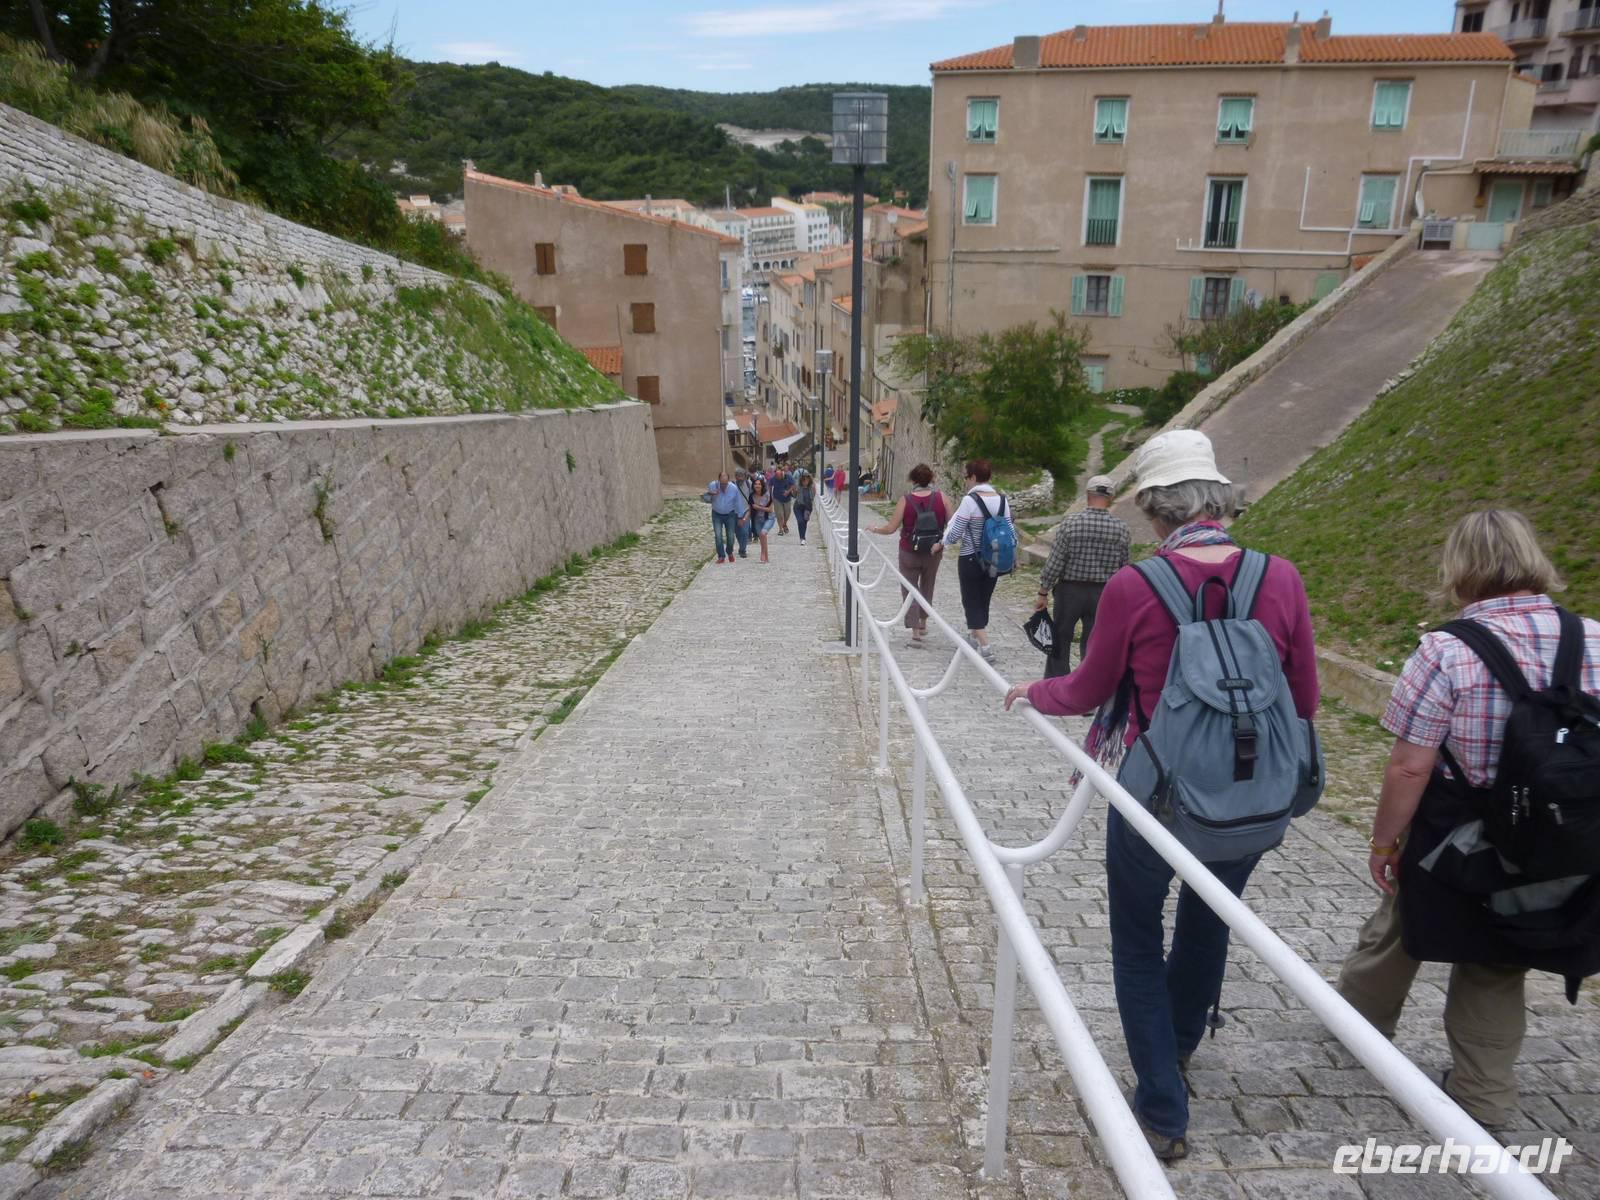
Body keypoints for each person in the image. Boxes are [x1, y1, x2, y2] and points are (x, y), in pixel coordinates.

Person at [1002, 429, 1318, 1161]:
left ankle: (1162, 1109)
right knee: (1210, 921)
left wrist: (1031, 692)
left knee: (1139, 937)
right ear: (1218, 499)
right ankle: (1177, 1045)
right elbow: (1304, 698)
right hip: (1248, 795)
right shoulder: (1280, 578)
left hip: (1157, 797)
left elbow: (1088, 688)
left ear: (1153, 508)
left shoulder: (1137, 586)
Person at [1335, 510, 1600, 1129]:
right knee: (1497, 958)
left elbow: (1410, 766)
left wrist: (1384, 842)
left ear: (1460, 568)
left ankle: (1359, 1024)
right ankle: (1483, 1097)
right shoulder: (1592, 637)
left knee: (1402, 916)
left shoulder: (1446, 650)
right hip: (1559, 835)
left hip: (1457, 831)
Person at [1036, 474, 1131, 677]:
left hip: (1070, 591)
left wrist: (1043, 591)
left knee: (1060, 639)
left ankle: (1057, 684)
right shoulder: (1121, 528)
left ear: (1088, 495)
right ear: (1111, 497)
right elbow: (1124, 567)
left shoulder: (1070, 524)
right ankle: (1088, 687)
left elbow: (1056, 561)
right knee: (1094, 643)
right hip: (1102, 593)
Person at [941, 460, 1016, 663]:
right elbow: (1011, 531)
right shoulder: (1002, 500)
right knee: (983, 599)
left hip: (971, 558)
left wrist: (943, 542)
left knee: (971, 600)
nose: (966, 481)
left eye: (966, 477)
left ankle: (986, 647)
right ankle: (973, 637)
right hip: (995, 558)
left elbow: (956, 530)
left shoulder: (970, 501)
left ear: (974, 477)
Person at [870, 464, 950, 649]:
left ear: (913, 480)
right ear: (931, 479)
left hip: (909, 551)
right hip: (933, 551)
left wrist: (875, 529)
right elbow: (953, 526)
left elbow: (891, 528)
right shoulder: (942, 499)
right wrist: (941, 542)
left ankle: (915, 632)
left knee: (909, 589)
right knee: (928, 585)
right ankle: (923, 622)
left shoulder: (905, 501)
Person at [703, 472, 747, 565]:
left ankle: (729, 552)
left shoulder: (733, 488)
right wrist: (711, 494)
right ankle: (721, 556)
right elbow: (705, 499)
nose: (723, 485)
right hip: (716, 514)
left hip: (730, 514)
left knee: (730, 536)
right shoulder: (713, 485)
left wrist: (740, 517)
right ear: (718, 480)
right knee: (718, 535)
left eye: (725, 483)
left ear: (728, 481)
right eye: (722, 483)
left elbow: (738, 502)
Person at [749, 475, 774, 563]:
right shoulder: (751, 496)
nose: (757, 485)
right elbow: (751, 508)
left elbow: (770, 509)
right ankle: (765, 556)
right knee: (762, 538)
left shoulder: (767, 494)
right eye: (755, 484)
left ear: (762, 485)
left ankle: (764, 554)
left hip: (769, 518)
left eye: (759, 484)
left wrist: (758, 507)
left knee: (763, 533)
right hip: (757, 519)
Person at [732, 468, 754, 559]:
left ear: (745, 476)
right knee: (737, 532)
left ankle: (742, 550)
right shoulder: (732, 485)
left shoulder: (749, 484)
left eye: (742, 476)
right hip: (734, 512)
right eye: (738, 476)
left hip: (745, 511)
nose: (740, 478)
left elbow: (752, 497)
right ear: (735, 476)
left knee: (744, 532)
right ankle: (741, 546)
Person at [771, 465, 795, 535]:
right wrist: (770, 495)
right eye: (776, 476)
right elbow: (769, 485)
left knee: (787, 513)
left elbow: (793, 485)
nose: (777, 478)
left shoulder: (789, 477)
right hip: (777, 498)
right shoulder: (774, 478)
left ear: (782, 475)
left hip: (787, 498)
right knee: (779, 514)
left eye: (778, 477)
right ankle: (780, 529)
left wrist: (788, 492)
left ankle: (784, 524)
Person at [793, 471, 816, 546]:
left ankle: (802, 538)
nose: (805, 482)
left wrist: (814, 488)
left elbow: (813, 497)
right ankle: (802, 538)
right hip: (798, 506)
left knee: (804, 522)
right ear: (801, 480)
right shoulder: (798, 486)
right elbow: (794, 496)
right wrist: (794, 490)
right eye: (803, 480)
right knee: (800, 521)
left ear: (809, 480)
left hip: (808, 507)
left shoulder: (811, 487)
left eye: (806, 480)